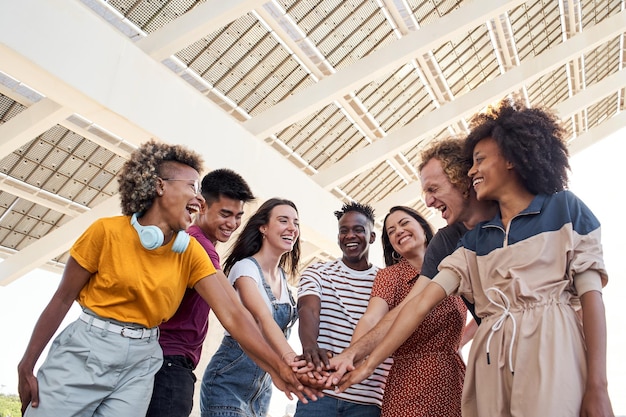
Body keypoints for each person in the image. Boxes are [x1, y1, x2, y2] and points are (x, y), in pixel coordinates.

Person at [331, 100, 614, 417]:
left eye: (479, 161)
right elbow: (417, 304)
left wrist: (598, 384)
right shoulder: (465, 244)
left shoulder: (564, 209)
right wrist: (364, 361)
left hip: (553, 351)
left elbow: (591, 296)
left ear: (510, 159)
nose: (473, 170)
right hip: (493, 362)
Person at [17, 140, 307, 417]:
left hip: (143, 361)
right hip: (89, 347)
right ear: (159, 186)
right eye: (192, 187)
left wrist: (276, 368)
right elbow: (62, 298)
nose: (198, 198)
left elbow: (234, 314)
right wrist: (27, 364)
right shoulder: (105, 232)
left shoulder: (191, 251)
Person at [325, 138, 495, 394]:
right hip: (419, 380)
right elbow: (411, 306)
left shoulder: (513, 215)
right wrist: (358, 357)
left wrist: (462, 342)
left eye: (434, 189)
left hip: (463, 371)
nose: (428, 201)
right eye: (391, 230)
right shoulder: (446, 246)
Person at [146, 168, 255, 417]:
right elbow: (233, 312)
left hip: (169, 361)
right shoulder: (197, 244)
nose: (233, 224)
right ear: (202, 206)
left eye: (238, 216)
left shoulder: (198, 242)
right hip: (169, 362)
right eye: (225, 214)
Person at [356, 206, 466, 417]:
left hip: (455, 382)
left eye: (404, 223)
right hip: (409, 386)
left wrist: (459, 350)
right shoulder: (390, 277)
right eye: (391, 231)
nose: (398, 231)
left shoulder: (455, 267)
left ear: (424, 229)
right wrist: (353, 355)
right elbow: (371, 318)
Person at [200, 198, 302, 417]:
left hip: (261, 392)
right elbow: (263, 319)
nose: (292, 228)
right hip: (227, 385)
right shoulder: (245, 268)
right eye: (283, 220)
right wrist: (292, 362)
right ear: (263, 227)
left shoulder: (284, 279)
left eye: (296, 223)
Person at [294, 202, 392, 417]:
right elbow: (308, 309)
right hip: (319, 394)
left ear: (372, 237)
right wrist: (309, 346)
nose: (350, 236)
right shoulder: (318, 271)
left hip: (368, 400)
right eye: (343, 231)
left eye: (358, 230)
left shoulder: (386, 281)